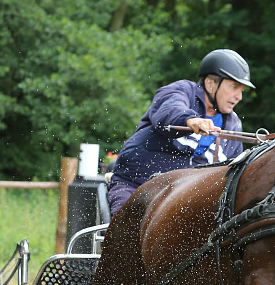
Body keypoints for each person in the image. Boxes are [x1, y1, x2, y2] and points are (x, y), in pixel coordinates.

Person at [106, 49, 255, 216]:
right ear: (210, 83)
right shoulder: (182, 90)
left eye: (241, 90)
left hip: (189, 204)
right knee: (126, 239)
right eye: (234, 87)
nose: (239, 96)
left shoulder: (233, 125)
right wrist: (191, 120)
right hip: (136, 186)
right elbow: (168, 110)